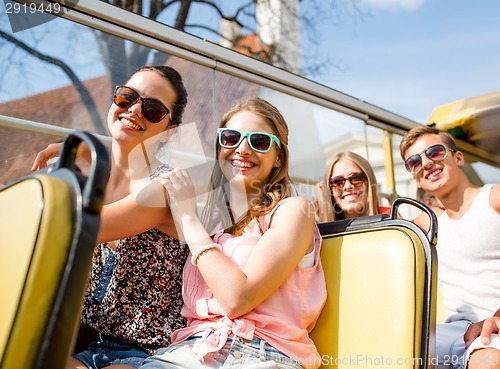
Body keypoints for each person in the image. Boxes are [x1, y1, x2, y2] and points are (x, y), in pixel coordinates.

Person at [140, 97, 327, 369]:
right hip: (190, 350)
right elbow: (125, 201)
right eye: (231, 138)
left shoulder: (294, 211)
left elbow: (237, 300)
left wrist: (187, 217)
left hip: (263, 353)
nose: (242, 149)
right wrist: (93, 154)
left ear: (278, 158)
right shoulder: (210, 221)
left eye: (259, 142)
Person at [32, 65, 190, 369]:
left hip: (153, 356)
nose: (134, 110)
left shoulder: (166, 186)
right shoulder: (98, 184)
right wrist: (79, 152)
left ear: (169, 131)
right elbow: (120, 172)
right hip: (94, 348)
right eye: (127, 97)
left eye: (153, 109)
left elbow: (78, 227)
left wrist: (79, 151)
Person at [400, 125, 500, 369]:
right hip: (449, 332)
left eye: (434, 152)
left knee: (486, 362)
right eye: (414, 162)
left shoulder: (493, 199)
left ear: (458, 157)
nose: (425, 163)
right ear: (415, 178)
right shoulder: (428, 222)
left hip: (493, 327)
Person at [314, 151, 391, 223]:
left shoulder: (389, 218)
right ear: (330, 191)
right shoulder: (321, 233)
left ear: (369, 182)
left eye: (356, 178)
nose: (347, 186)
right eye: (337, 182)